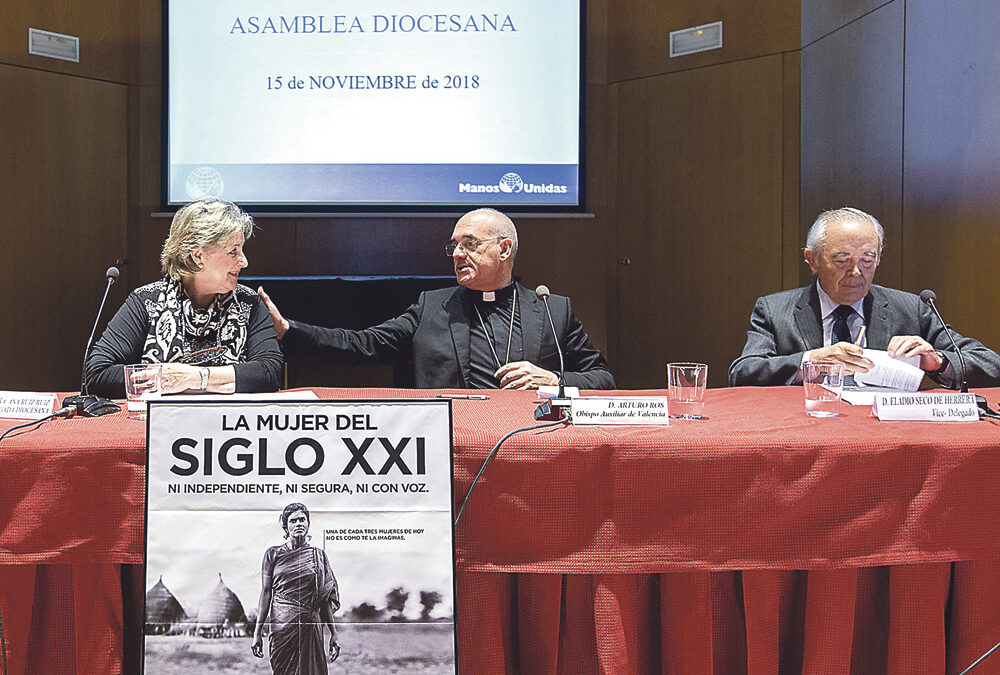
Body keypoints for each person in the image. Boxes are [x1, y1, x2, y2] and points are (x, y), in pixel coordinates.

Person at [258, 208, 615, 390]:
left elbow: (602, 378)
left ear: (504, 249)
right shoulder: (432, 307)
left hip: (530, 443)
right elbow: (362, 344)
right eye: (454, 246)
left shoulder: (552, 310)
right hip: (453, 445)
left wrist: (555, 380)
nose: (457, 254)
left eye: (470, 244)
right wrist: (289, 330)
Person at [729, 207, 1000, 387]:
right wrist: (811, 361)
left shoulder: (910, 308)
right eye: (842, 259)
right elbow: (743, 373)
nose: (856, 271)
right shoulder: (775, 310)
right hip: (806, 433)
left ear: (879, 257)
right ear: (812, 261)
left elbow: (991, 364)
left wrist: (936, 361)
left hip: (887, 440)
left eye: (868, 259)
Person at [85, 198, 282, 396]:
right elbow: (97, 374)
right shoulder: (146, 302)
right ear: (198, 257)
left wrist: (193, 378)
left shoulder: (249, 303)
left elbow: (269, 372)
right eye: (233, 252)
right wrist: (162, 379)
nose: (244, 262)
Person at [251, 503, 341, 673]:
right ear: (286, 526)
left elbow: (325, 599)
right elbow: (265, 593)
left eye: (302, 520)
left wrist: (334, 633)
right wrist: (257, 633)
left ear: (308, 524)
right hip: (282, 627)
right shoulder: (273, 554)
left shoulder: (319, 556)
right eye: (293, 521)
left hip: (310, 625)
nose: (298, 523)